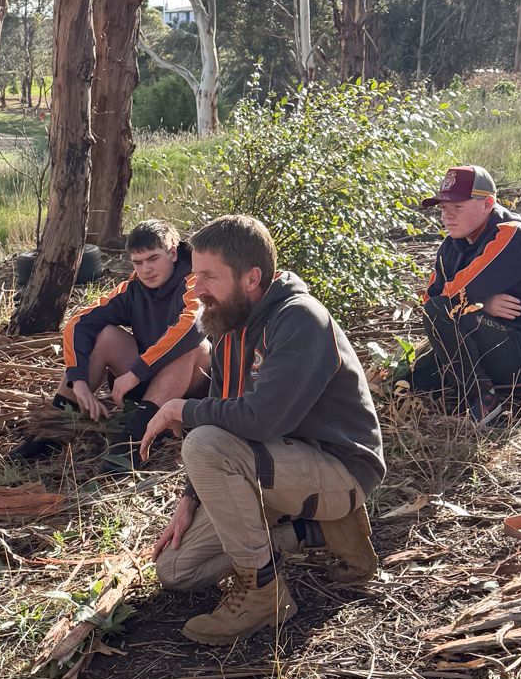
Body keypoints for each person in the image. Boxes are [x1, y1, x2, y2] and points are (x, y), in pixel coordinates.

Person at [143, 215, 386, 643]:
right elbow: (224, 413)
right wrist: (190, 497)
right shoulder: (228, 324)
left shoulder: (299, 319)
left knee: (201, 443)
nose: (197, 289)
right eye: (195, 274)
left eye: (209, 276)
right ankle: (311, 530)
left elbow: (261, 420)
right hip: (272, 465)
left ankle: (264, 594)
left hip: (338, 469)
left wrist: (181, 407)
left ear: (252, 277)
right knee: (177, 571)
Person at [413, 166, 521, 422]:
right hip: (483, 334)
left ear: (487, 203)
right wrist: (482, 304)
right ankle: (515, 393)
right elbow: (430, 299)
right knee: (413, 379)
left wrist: (471, 302)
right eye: (443, 209)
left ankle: (484, 402)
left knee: (439, 313)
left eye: (457, 208)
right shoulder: (451, 244)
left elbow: (443, 303)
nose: (448, 217)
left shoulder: (511, 235)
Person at [62, 218, 209, 425]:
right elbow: (78, 323)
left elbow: (193, 325)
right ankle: (55, 421)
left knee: (196, 347)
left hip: (191, 391)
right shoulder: (132, 288)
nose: (146, 269)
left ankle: (134, 437)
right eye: (138, 262)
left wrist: (137, 372)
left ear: (173, 253)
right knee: (106, 336)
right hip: (142, 381)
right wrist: (77, 381)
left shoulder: (196, 282)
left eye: (153, 259)